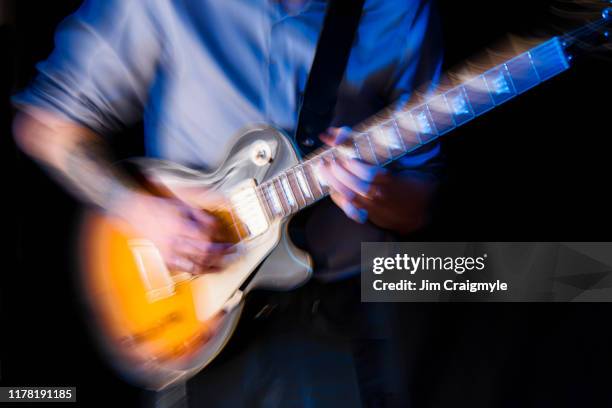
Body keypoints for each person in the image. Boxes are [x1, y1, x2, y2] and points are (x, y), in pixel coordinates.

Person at [13, 0, 443, 406]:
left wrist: (373, 192)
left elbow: (417, 205)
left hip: (333, 323)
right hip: (195, 316)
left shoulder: (398, 10)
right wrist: (138, 209)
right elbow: (46, 126)